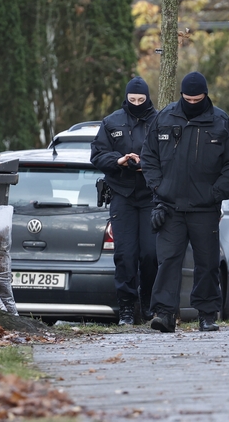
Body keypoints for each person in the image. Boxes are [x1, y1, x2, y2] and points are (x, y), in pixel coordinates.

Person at [141, 72, 229, 333]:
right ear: (181, 96)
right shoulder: (164, 118)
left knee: (207, 263)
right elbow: (148, 155)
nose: (192, 102)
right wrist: (157, 187)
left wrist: (216, 193)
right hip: (170, 206)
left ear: (205, 96)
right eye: (188, 98)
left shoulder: (221, 122)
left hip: (204, 208)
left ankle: (207, 314)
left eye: (197, 99)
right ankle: (163, 314)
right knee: (168, 262)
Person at [91, 77, 159, 326]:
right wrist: (119, 160)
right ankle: (127, 308)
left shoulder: (158, 120)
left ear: (148, 98)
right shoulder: (112, 122)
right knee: (125, 254)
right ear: (127, 98)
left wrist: (145, 164)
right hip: (122, 196)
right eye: (133, 100)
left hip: (151, 195)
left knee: (151, 254)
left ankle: (149, 302)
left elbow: (168, 155)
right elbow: (97, 154)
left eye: (141, 100)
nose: (137, 104)